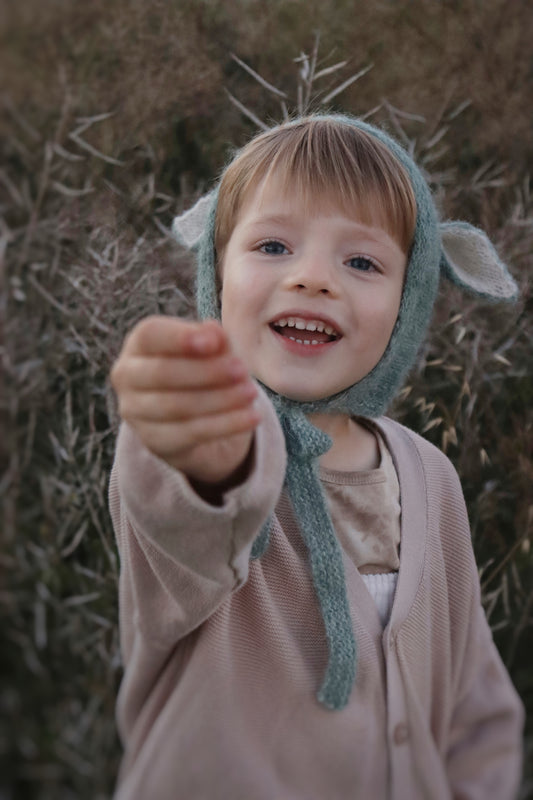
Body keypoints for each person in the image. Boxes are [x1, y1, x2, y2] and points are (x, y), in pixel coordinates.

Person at [109, 115, 524, 800]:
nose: (311, 279)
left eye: (360, 262)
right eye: (272, 245)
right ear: (216, 266)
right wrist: (193, 440)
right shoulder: (215, 449)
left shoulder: (431, 478)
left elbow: (474, 707)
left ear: (409, 296)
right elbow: (181, 506)